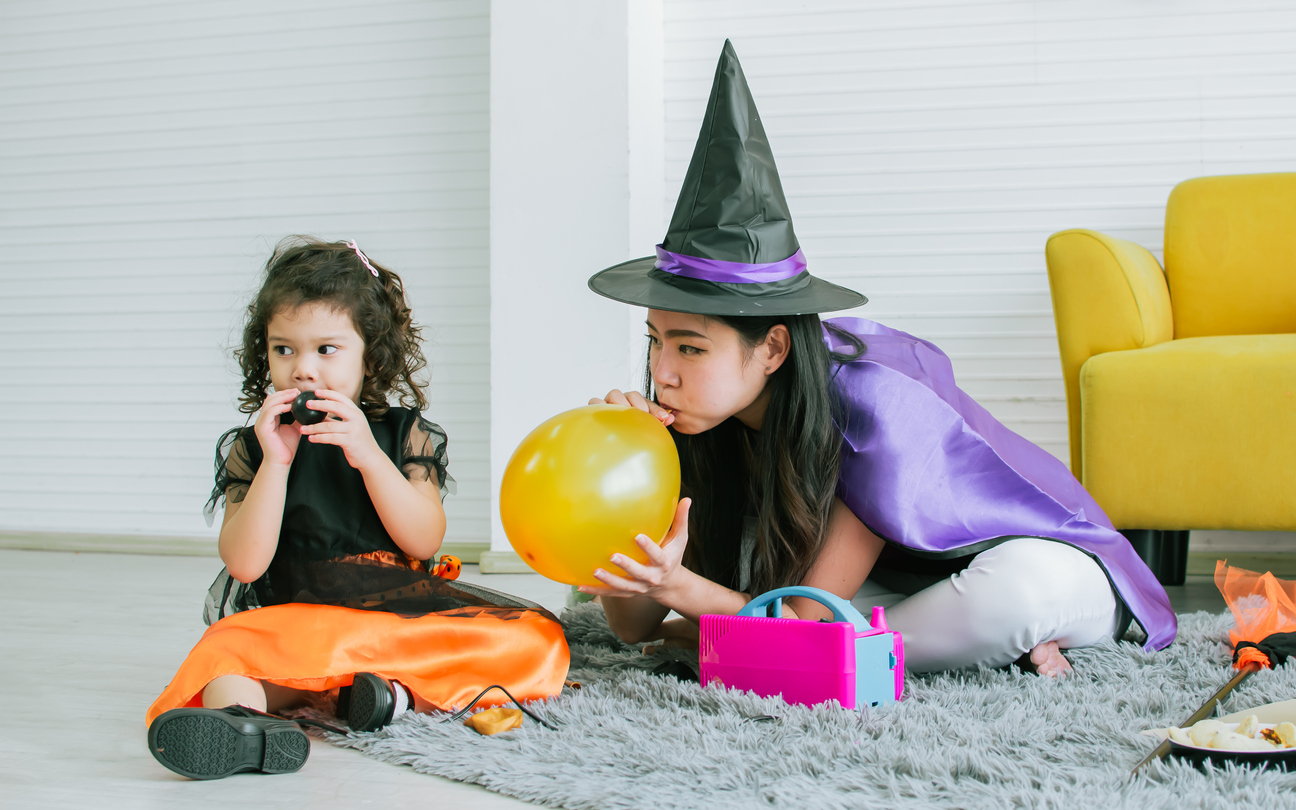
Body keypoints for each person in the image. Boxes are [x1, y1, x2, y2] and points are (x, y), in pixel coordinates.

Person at [581, 41, 1175, 679]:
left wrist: (688, 599)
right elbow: (634, 630)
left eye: (690, 348)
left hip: (1049, 565)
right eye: (656, 341)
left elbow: (806, 622)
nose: (663, 372)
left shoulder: (872, 410)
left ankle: (858, 649)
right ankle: (903, 649)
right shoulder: (700, 418)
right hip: (900, 585)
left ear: (774, 347)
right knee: (816, 610)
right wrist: (628, 480)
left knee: (1010, 595)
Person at [146, 237, 568, 780]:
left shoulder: (401, 435)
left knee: (538, 637)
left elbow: (422, 542)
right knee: (226, 650)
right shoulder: (254, 446)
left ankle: (386, 695)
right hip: (301, 625)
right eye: (284, 349)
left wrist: (368, 455)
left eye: (326, 349)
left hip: (398, 623)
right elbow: (245, 566)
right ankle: (246, 727)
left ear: (370, 352)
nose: (303, 370)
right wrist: (276, 463)